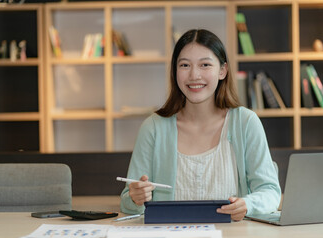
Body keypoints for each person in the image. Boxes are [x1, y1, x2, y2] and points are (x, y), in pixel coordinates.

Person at [120, 29, 281, 221]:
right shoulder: (153, 128)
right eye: (185, 65)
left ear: (223, 71)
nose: (194, 75)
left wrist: (248, 204)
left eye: (205, 64)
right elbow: (127, 202)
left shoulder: (246, 122)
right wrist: (135, 198)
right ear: (175, 71)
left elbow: (270, 191)